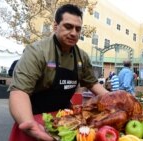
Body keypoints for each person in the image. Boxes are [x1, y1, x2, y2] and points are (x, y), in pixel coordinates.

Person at [8, 4, 108, 141]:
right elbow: (19, 92)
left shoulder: (82, 57)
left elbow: (93, 84)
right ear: (55, 26)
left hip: (66, 121)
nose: (74, 33)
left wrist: (117, 99)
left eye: (78, 29)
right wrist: (29, 124)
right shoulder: (37, 52)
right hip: (35, 118)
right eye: (68, 26)